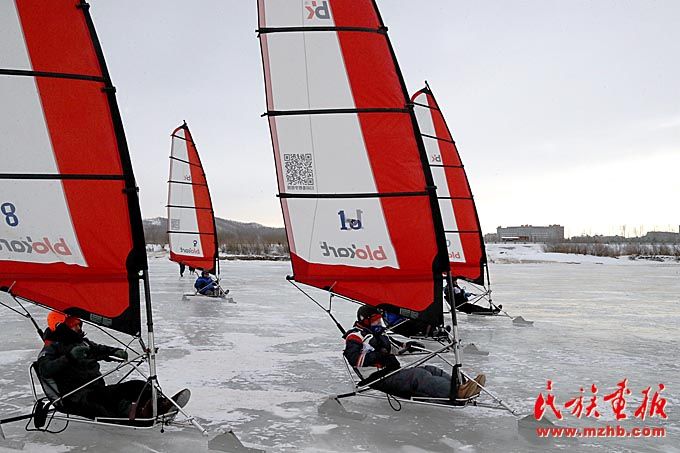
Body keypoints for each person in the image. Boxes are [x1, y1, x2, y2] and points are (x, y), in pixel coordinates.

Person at [37, 311, 187, 421]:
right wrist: (69, 358)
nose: (78, 327)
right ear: (60, 326)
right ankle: (140, 413)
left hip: (96, 389)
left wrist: (114, 351)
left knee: (137, 385)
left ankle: (161, 404)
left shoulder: (83, 342)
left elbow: (99, 349)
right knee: (109, 398)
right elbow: (44, 369)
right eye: (72, 324)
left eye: (78, 323)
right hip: (76, 398)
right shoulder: (51, 349)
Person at [343, 305, 486, 400]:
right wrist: (381, 356)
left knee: (431, 369)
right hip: (376, 377)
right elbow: (354, 359)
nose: (379, 323)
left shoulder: (379, 333)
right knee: (418, 376)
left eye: (379, 320)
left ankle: (460, 386)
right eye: (375, 320)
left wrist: (408, 346)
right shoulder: (355, 336)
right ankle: (456, 393)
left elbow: (395, 347)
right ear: (365, 320)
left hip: (390, 371)